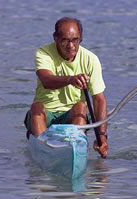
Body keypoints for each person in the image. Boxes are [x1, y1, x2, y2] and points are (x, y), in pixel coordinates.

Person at [24, 17, 108, 158]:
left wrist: (102, 137)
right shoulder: (43, 53)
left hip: (72, 116)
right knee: (36, 107)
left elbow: (99, 100)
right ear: (55, 38)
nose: (71, 46)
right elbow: (46, 80)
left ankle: (76, 147)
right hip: (46, 115)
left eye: (75, 40)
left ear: (81, 39)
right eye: (65, 40)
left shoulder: (91, 59)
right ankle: (43, 149)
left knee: (81, 106)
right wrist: (70, 79)